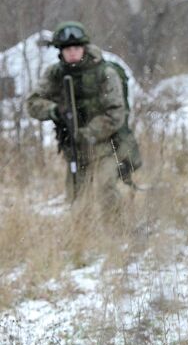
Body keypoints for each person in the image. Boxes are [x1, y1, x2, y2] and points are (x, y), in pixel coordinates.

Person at [26, 21, 129, 221]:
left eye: (76, 48)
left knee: (105, 189)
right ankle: (83, 241)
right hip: (73, 147)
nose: (72, 53)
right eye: (67, 49)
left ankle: (117, 238)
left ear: (84, 48)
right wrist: (55, 111)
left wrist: (89, 133)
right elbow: (32, 103)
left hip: (104, 145)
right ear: (60, 51)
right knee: (77, 199)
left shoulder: (104, 72)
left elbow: (116, 113)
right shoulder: (55, 74)